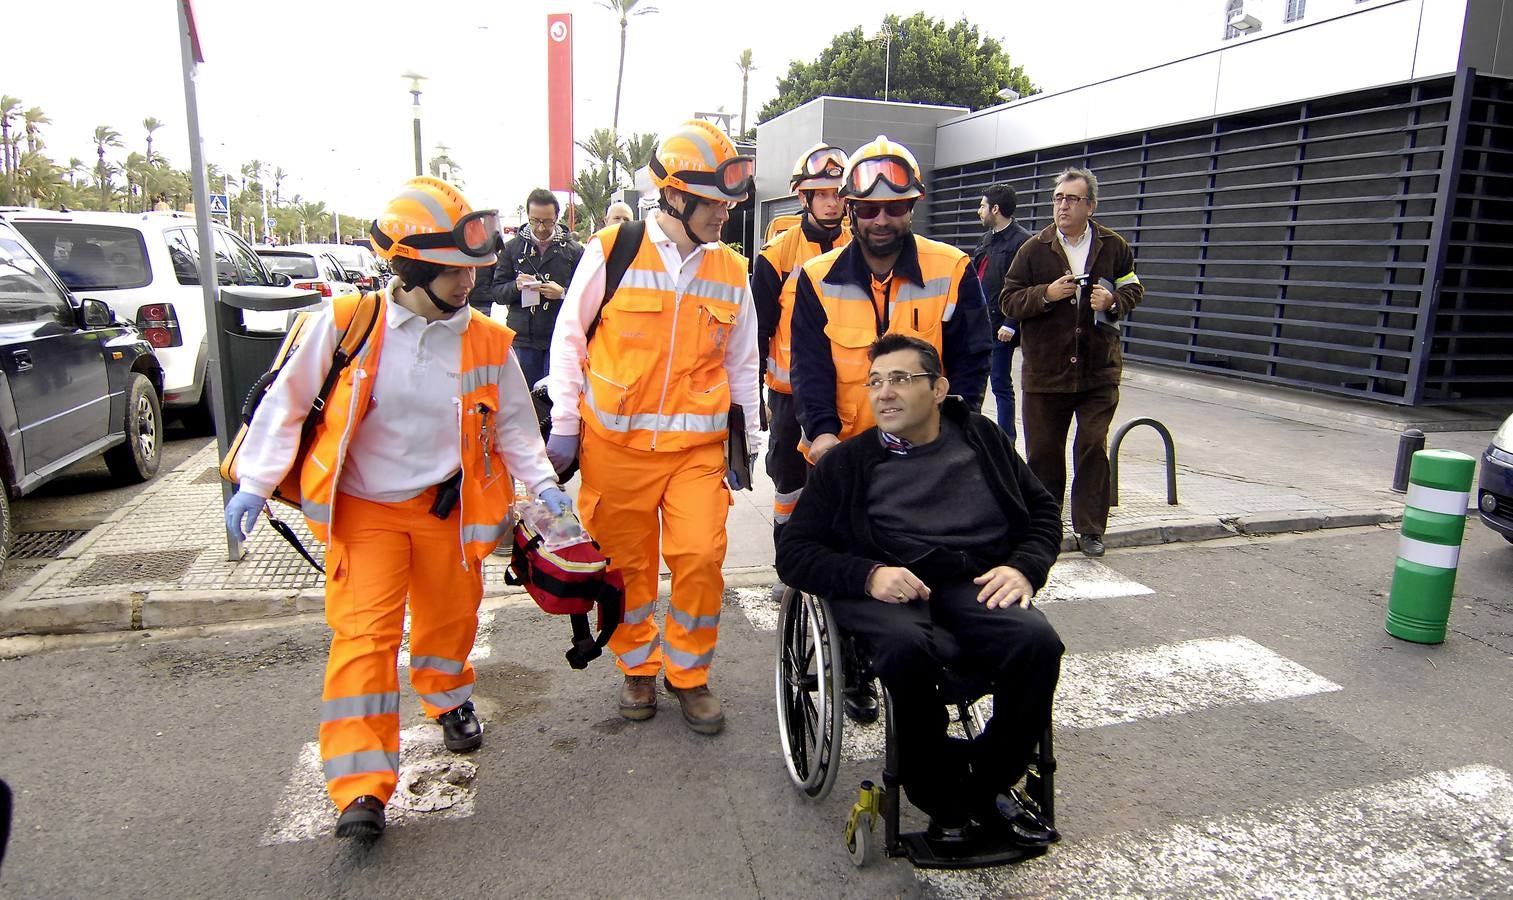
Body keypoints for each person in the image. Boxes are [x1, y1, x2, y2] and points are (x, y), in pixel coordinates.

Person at [224, 176, 570, 840]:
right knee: (364, 642)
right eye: (453, 270)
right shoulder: (347, 324)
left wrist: (544, 485)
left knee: (449, 622)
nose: (470, 282)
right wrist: (256, 482)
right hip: (366, 513)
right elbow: (288, 405)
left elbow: (518, 431)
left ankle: (446, 698)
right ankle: (359, 788)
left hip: (447, 509)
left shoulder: (489, 344)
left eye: (475, 268)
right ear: (410, 266)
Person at [776, 333, 1064, 854]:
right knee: (909, 649)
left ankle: (987, 781)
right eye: (876, 382)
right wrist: (867, 575)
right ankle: (936, 792)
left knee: (1038, 643)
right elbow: (794, 552)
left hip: (970, 580)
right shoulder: (848, 463)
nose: (884, 393)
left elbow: (1043, 512)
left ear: (939, 389)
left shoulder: (982, 440)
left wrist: (1023, 569)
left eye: (901, 380)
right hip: (888, 588)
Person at [544, 120, 760, 735]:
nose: (724, 215)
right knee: (627, 565)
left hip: (696, 451)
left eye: (727, 204)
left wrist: (746, 441)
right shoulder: (612, 250)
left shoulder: (731, 270)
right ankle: (638, 666)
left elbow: (742, 363)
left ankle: (689, 675)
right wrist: (564, 422)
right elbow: (568, 339)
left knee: (699, 555)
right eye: (714, 204)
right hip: (616, 448)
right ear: (675, 196)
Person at [789, 135, 992, 468]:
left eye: (894, 208)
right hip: (843, 454)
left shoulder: (953, 268)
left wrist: (955, 433)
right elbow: (809, 366)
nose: (881, 220)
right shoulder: (817, 277)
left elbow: (971, 361)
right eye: (868, 209)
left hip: (927, 455)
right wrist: (822, 431)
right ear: (850, 210)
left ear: (911, 208)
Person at [1002, 166, 1143, 559]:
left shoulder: (1113, 246)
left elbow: (1133, 287)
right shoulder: (1034, 249)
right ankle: (1046, 527)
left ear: (1090, 205)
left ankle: (1091, 529)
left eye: (1072, 199)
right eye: (1058, 198)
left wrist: (1114, 302)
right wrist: (1045, 294)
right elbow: (1008, 299)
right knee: (1044, 455)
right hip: (1046, 373)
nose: (1063, 205)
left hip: (1098, 371)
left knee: (1091, 447)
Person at [753, 143, 851, 549]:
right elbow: (757, 330)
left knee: (839, 476)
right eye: (823, 194)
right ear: (804, 197)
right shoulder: (776, 255)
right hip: (790, 395)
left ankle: (831, 554)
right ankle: (790, 559)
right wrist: (753, 397)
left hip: (847, 390)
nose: (832, 204)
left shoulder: (859, 249)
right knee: (789, 477)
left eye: (838, 194)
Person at [484, 188, 584, 388]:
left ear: (557, 217)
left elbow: (587, 297)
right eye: (535, 221)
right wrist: (516, 286)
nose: (540, 228)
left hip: (559, 337)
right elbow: (497, 293)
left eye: (547, 221)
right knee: (523, 397)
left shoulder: (574, 251)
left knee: (554, 398)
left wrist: (563, 293)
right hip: (522, 339)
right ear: (528, 217)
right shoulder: (512, 249)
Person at [971, 183, 1032, 439]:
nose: (979, 211)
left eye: (983, 206)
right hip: (979, 324)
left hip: (1001, 327)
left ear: (995, 209)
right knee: (974, 382)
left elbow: (1024, 286)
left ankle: (1007, 440)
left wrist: (1011, 322)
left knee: (1000, 384)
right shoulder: (987, 240)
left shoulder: (1023, 242)